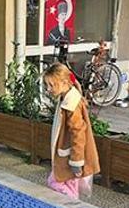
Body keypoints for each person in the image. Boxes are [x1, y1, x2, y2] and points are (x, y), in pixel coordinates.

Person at [42, 63, 99, 199]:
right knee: (64, 184)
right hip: (66, 155)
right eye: (47, 85)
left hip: (70, 157)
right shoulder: (66, 97)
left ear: (64, 82)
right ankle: (70, 205)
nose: (48, 89)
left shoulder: (72, 103)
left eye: (51, 85)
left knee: (59, 184)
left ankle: (72, 206)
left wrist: (76, 162)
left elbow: (78, 134)